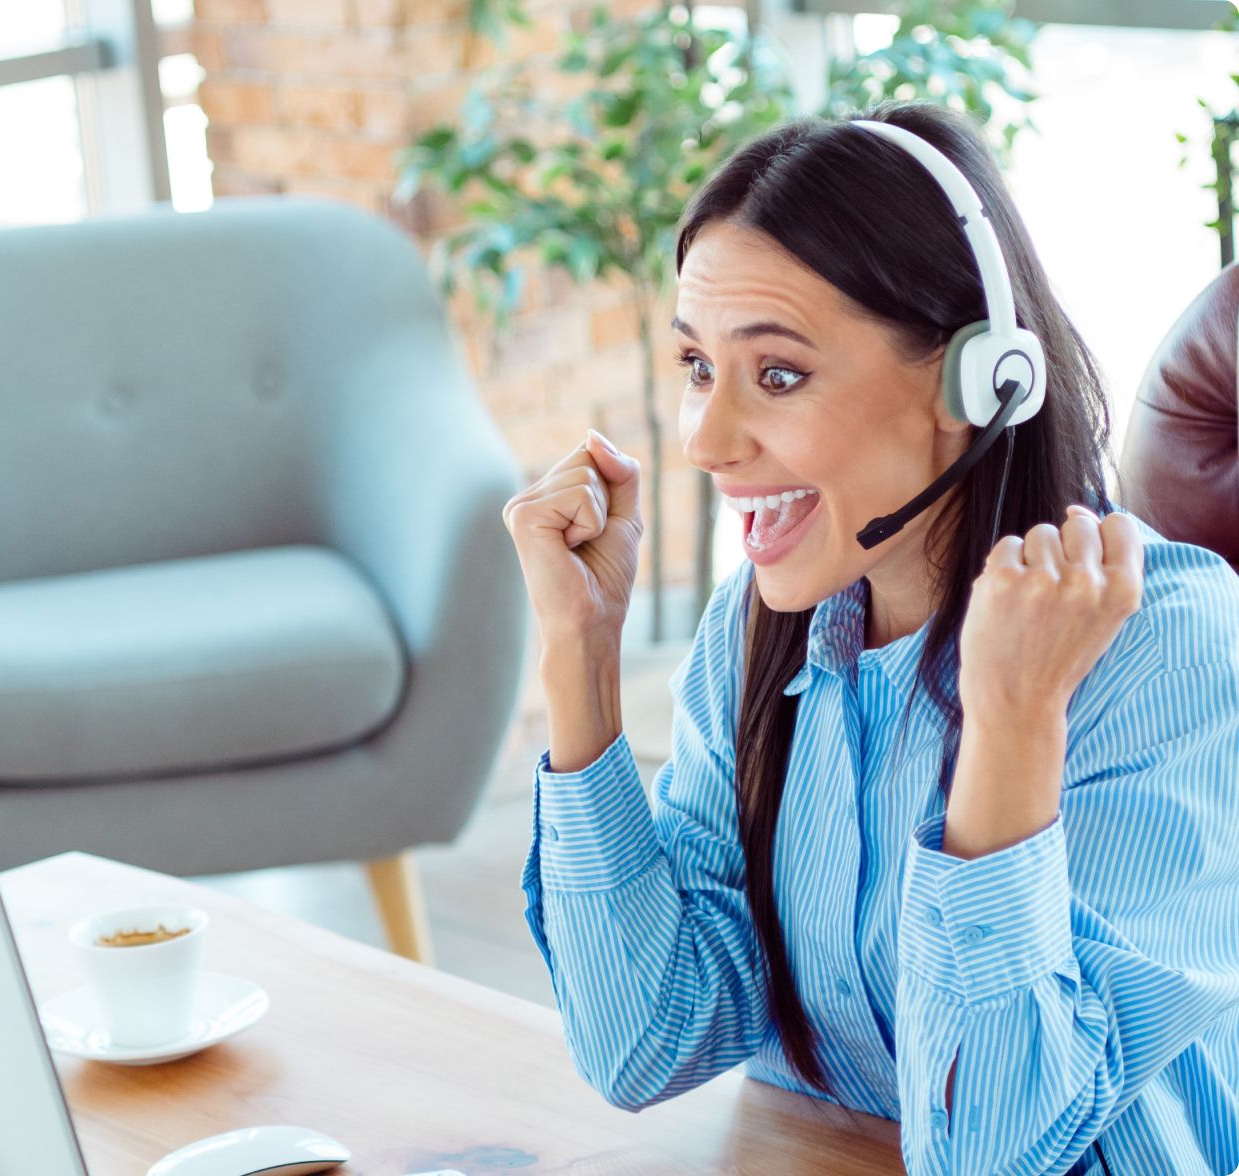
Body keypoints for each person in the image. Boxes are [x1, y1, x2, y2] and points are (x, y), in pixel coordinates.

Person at [501, 100, 1239, 1176]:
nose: (705, 442)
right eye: (698, 366)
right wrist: (579, 654)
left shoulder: (1167, 653)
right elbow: (642, 1044)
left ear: (976, 381)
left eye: (779, 374)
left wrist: (1010, 725)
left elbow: (994, 1152)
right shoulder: (757, 630)